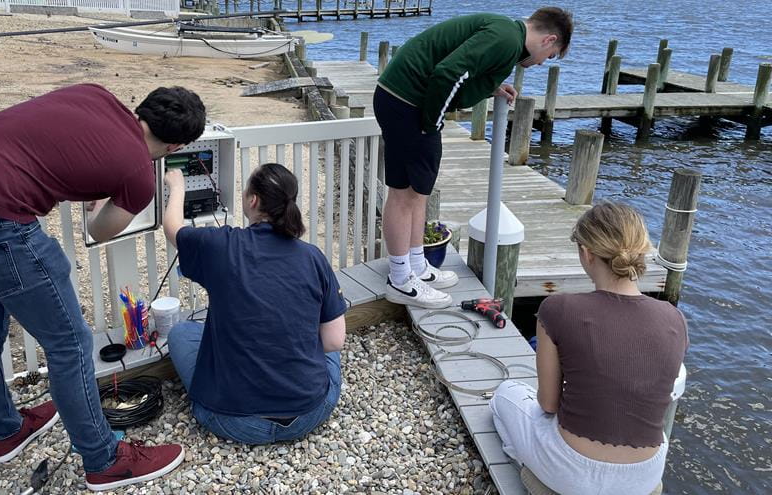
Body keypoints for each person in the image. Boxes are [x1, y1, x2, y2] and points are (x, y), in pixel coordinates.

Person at [0, 83, 205, 491]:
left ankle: (5, 433)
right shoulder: (139, 174)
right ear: (177, 144)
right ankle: (104, 460)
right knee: (69, 343)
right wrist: (109, 199)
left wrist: (96, 188)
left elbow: (58, 148)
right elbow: (99, 230)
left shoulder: (95, 94)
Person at [374, 7, 574, 309]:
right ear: (549, 39)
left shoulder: (505, 32)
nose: (541, 63)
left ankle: (416, 266)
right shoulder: (506, 39)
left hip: (401, 98)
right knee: (404, 194)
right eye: (550, 56)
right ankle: (401, 280)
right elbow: (448, 73)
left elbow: (464, 65)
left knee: (417, 194)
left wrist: (490, 88)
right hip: (409, 104)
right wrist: (432, 124)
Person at [490, 202, 689, 495]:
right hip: (643, 476)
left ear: (586, 253)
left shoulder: (558, 309)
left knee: (505, 395)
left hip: (572, 471)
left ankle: (535, 476)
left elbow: (547, 404)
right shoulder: (675, 319)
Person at [163, 163, 347, 444]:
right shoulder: (313, 257)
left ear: (253, 200)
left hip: (232, 421)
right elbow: (334, 341)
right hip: (310, 412)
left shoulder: (221, 246)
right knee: (325, 340)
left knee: (180, 333)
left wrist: (177, 187)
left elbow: (172, 228)